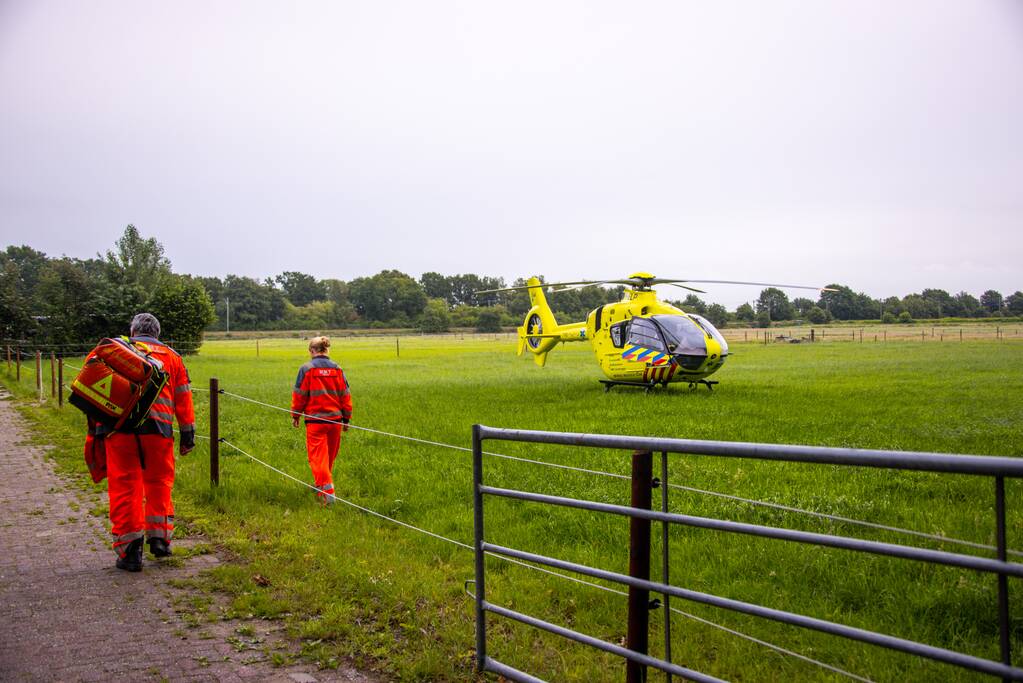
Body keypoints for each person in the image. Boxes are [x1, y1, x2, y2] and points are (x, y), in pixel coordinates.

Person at [85, 313, 195, 572]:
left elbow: (91, 384)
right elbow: (183, 398)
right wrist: (187, 434)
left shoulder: (113, 349)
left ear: (133, 331)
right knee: (159, 482)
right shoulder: (173, 357)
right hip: (159, 431)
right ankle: (159, 539)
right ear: (157, 333)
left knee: (125, 486)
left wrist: (96, 429)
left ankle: (130, 552)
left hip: (119, 431)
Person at [290, 336, 353, 504]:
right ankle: (322, 488)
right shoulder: (337, 369)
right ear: (326, 350)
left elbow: (299, 395)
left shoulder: (306, 369)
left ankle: (328, 496)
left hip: (315, 422)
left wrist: (295, 415)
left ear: (312, 350)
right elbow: (345, 395)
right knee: (328, 459)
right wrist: (346, 419)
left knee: (318, 459)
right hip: (336, 421)